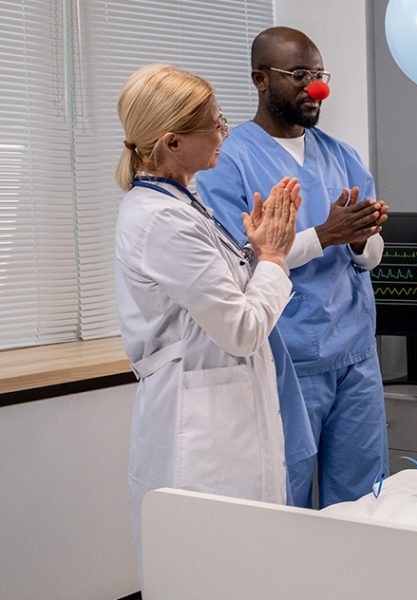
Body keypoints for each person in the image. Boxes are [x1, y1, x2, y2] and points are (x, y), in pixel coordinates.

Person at [113, 64, 304, 566]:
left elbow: (212, 297)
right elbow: (240, 329)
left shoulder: (180, 202)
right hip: (200, 428)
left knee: (244, 563)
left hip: (222, 411)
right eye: (215, 123)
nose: (226, 131)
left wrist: (254, 249)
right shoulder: (163, 220)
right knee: (212, 569)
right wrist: (274, 258)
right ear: (172, 142)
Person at [196, 27, 389, 508]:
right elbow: (238, 260)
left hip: (355, 354)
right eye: (299, 75)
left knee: (364, 499)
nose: (315, 87)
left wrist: (363, 239)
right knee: (287, 498)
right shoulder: (228, 161)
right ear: (260, 79)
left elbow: (367, 256)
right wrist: (325, 234)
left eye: (320, 75)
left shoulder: (342, 155)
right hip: (287, 357)